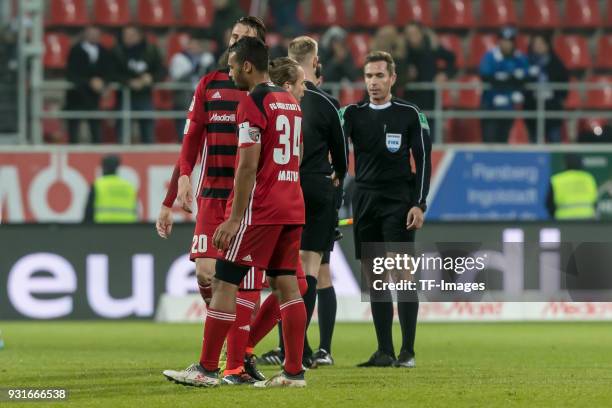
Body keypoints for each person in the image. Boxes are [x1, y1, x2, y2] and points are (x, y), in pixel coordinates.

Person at [166, 37, 307, 388]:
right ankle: (293, 373)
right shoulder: (289, 100)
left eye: (232, 66)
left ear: (247, 66)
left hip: (261, 208)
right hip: (292, 204)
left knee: (226, 280)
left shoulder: (252, 102)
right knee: (286, 284)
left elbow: (246, 166)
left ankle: (207, 368)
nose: (229, 73)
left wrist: (233, 218)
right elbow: (296, 155)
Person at [158, 17, 270, 386]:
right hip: (211, 196)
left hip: (249, 201)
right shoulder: (209, 84)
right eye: (233, 37)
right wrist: (175, 190)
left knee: (238, 280)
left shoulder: (265, 92)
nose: (235, 43)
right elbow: (190, 141)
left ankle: (234, 361)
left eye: (244, 40)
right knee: (207, 273)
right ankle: (226, 345)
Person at [342, 51, 432, 368]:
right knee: (375, 278)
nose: (374, 82)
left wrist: (419, 204)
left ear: (392, 78)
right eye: (369, 76)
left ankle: (407, 351)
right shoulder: (352, 114)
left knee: (403, 274)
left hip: (399, 200)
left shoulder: (410, 113)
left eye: (380, 75)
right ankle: (384, 350)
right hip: (365, 199)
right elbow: (335, 151)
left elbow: (423, 162)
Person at [403, 22, 457, 141]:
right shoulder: (403, 51)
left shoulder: (432, 47)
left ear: (421, 34)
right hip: (410, 100)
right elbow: (393, 71)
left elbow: (452, 59)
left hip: (430, 99)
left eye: (414, 33)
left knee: (429, 136)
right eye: (408, 34)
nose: (412, 37)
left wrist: (444, 74)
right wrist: (405, 73)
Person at [113, 25, 164, 143]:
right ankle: (123, 153)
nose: (128, 38)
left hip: (145, 96)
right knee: (123, 130)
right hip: (124, 96)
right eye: (125, 35)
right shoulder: (117, 51)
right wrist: (128, 82)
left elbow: (161, 71)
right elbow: (111, 73)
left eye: (131, 35)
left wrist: (151, 78)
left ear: (139, 36)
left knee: (147, 130)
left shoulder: (151, 50)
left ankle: (149, 154)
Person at [479, 26, 530, 143]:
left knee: (503, 140)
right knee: (489, 141)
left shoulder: (519, 57)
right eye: (504, 41)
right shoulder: (490, 57)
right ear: (499, 41)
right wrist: (510, 79)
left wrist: (514, 88)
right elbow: (486, 77)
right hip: (490, 107)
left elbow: (526, 77)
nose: (507, 44)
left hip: (509, 108)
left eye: (510, 41)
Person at [64, 26, 112, 144]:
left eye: (96, 34)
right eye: (91, 34)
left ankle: (97, 151)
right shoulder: (75, 50)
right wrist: (89, 82)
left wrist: (103, 83)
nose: (93, 36)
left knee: (95, 126)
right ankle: (72, 151)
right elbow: (71, 73)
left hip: (94, 97)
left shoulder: (103, 51)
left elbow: (109, 71)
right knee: (74, 127)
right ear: (85, 35)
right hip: (77, 96)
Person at [524, 34, 569, 144]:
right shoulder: (527, 62)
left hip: (552, 110)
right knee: (534, 143)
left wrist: (555, 96)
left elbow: (563, 84)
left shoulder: (556, 63)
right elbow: (522, 83)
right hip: (532, 109)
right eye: (535, 44)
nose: (538, 46)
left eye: (541, 43)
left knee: (555, 141)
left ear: (547, 45)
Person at [168, 36, 216, 140]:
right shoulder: (178, 58)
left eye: (196, 44)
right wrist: (192, 70)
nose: (194, 47)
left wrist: (205, 69)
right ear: (187, 45)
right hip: (184, 98)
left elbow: (213, 76)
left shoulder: (207, 58)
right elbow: (176, 78)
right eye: (191, 44)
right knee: (185, 128)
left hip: (204, 97)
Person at [83, 155, 138, 223]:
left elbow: (89, 212)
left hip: (104, 228)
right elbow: (135, 211)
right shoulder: (129, 186)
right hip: (127, 228)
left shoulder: (98, 185)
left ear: (103, 167)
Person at [546, 154, 598, 220]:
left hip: (564, 221)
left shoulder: (557, 179)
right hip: (587, 219)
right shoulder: (589, 178)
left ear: (565, 164)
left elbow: (549, 204)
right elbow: (595, 202)